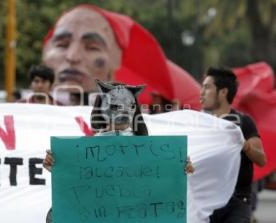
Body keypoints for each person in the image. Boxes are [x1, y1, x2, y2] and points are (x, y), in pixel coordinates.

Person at [43, 80, 194, 222]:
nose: (122, 111)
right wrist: (59, 169)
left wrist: (179, 168)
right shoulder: (82, 153)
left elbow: (163, 192)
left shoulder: (152, 152)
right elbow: (72, 198)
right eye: (115, 105)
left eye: (128, 105)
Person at [42, 4, 201, 108]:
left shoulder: (127, 121)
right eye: (61, 45)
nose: (72, 56)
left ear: (115, 62)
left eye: (92, 47)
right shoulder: (24, 113)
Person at [200, 66, 267, 223]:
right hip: (205, 202)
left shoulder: (243, 122)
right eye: (201, 87)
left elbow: (261, 160)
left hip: (237, 202)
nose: (201, 93)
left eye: (207, 87)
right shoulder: (198, 123)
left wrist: (244, 145)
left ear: (223, 92)